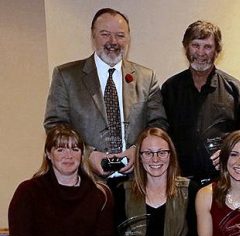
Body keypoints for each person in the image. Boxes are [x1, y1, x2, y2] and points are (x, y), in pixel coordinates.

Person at [44, 8, 168, 178]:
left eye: (120, 35)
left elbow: (158, 124)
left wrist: (137, 151)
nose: (113, 41)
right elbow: (55, 126)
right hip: (86, 182)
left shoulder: (147, 78)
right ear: (93, 36)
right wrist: (87, 155)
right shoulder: (66, 76)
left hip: (135, 185)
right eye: (105, 34)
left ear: (129, 39)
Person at [162, 20, 240, 185]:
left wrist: (231, 150)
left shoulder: (235, 89)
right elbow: (160, 132)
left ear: (217, 51)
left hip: (223, 181)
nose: (201, 52)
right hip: (179, 183)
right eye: (195, 45)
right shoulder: (170, 89)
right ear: (186, 47)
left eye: (208, 47)